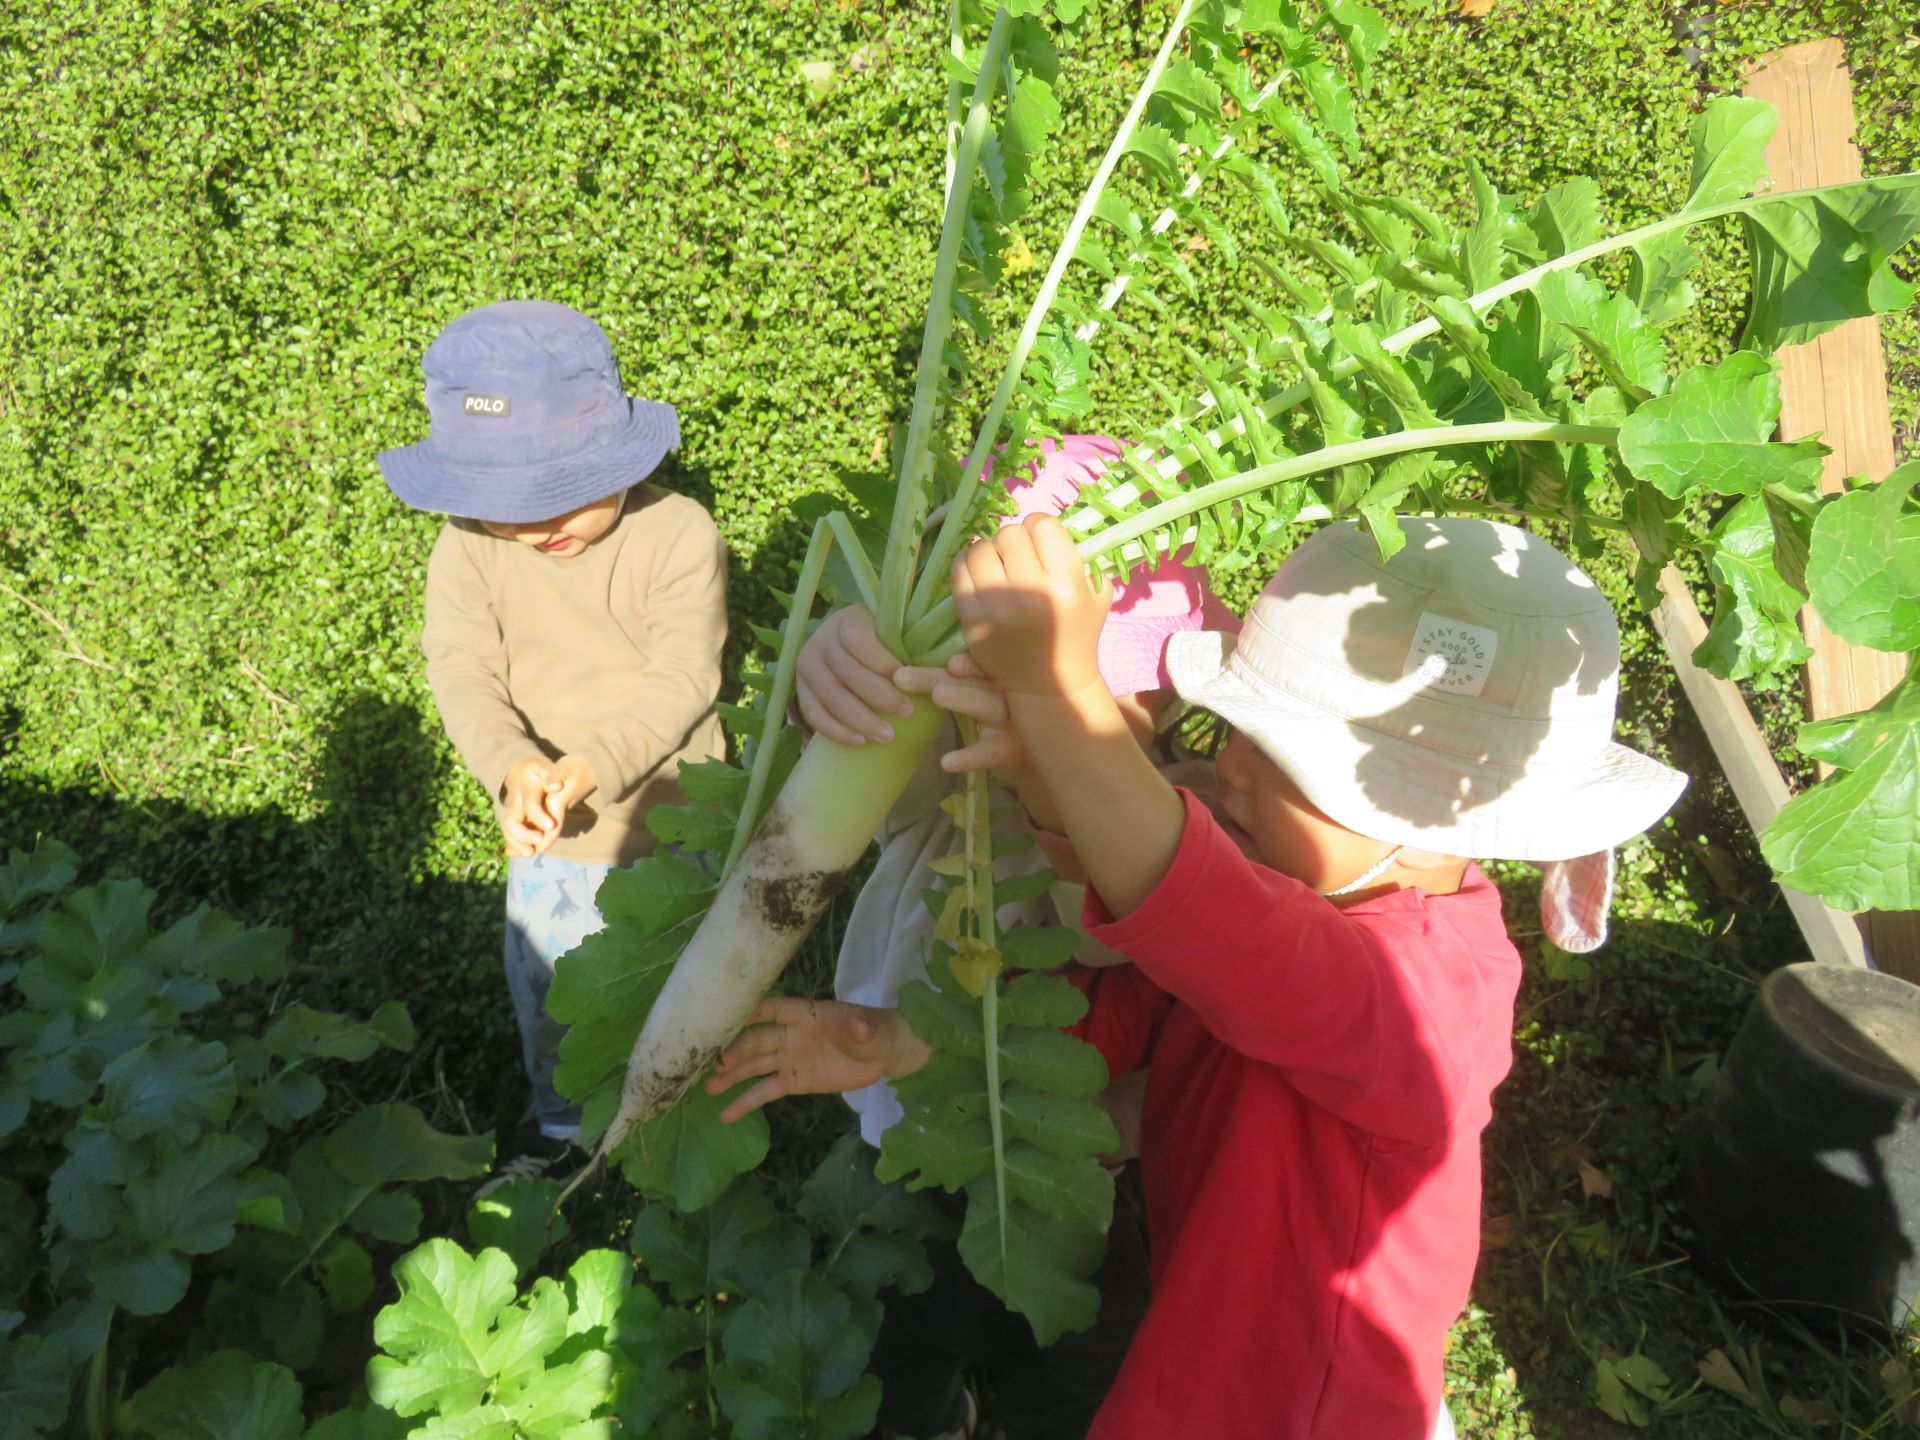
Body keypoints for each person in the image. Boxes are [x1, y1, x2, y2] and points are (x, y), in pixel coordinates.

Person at [713, 511, 1686, 1438]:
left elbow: (1203, 914)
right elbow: (1113, 1014)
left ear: (1444, 824)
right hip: (1210, 1328)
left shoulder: (1422, 989)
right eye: (1237, 738)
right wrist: (897, 1040)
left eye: (1289, 766)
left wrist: (1061, 699)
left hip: (1294, 1407)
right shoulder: (1313, 895)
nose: (1234, 774)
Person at [750, 435, 1234, 1440]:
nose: (1050, 719)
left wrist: (1069, 776)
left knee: (1086, 1351)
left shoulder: (1185, 833)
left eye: (1103, 701)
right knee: (907, 1345)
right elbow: (858, 751)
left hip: (1082, 1157)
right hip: (904, 1129)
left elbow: (1121, 946)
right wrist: (840, 660)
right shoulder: (948, 754)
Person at [378, 299, 728, 1192]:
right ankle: (569, 1135)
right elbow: (462, 674)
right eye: (507, 506)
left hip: (682, 822)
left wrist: (592, 767)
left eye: (566, 490)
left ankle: (675, 1133)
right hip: (553, 833)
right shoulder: (465, 554)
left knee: (688, 996)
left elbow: (683, 678)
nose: (538, 524)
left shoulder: (678, 533)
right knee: (555, 998)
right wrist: (511, 767)